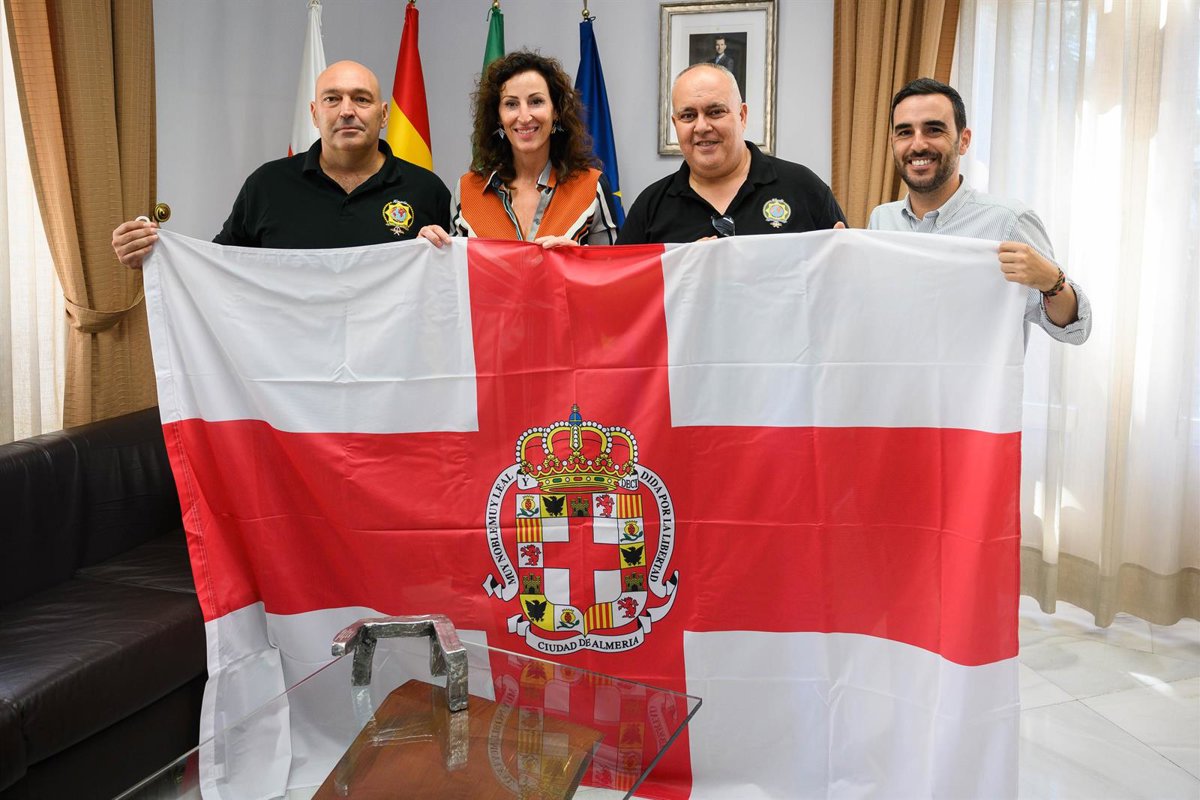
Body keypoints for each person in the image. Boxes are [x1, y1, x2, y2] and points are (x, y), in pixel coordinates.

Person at [112, 60, 451, 266]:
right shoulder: (268, 185)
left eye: (361, 99)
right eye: (332, 99)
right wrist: (155, 254)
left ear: (383, 114)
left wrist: (441, 255)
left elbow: (450, 292)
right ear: (314, 114)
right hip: (289, 363)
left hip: (392, 363)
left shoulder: (426, 189)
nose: (347, 111)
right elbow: (218, 269)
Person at [868, 77, 1091, 344]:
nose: (918, 145)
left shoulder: (1009, 222)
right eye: (905, 132)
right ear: (893, 142)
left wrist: (1052, 281)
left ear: (963, 141)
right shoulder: (881, 220)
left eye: (934, 130)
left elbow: (1075, 331)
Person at [618, 63, 845, 244]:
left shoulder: (803, 188)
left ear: (742, 116)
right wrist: (683, 269)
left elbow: (844, 275)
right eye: (688, 116)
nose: (701, 127)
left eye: (715, 112)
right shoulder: (650, 207)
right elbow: (624, 284)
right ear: (675, 123)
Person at [418, 50, 619, 249]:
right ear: (498, 116)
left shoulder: (591, 187)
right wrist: (426, 250)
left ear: (556, 111)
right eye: (511, 104)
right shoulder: (467, 191)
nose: (524, 117)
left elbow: (614, 267)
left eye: (536, 101)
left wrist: (581, 259)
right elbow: (453, 268)